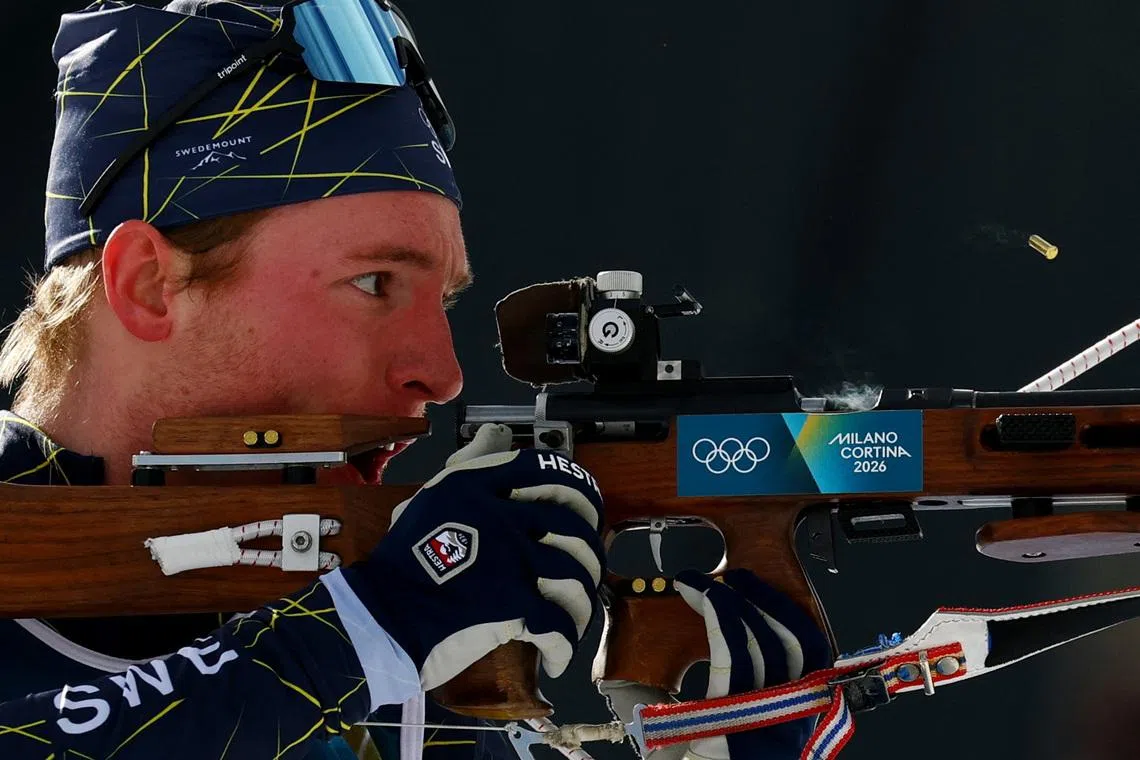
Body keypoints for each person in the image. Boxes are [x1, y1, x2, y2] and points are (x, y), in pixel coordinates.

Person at [0, 1, 828, 758]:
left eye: (444, 299)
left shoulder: (420, 646)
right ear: (148, 285)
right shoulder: (383, 624)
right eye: (374, 284)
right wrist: (360, 635)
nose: (440, 374)